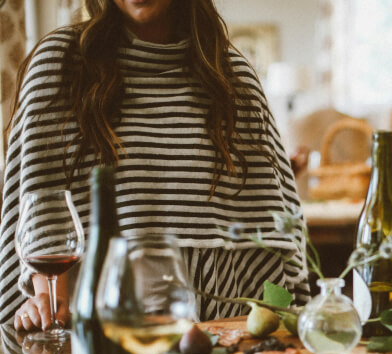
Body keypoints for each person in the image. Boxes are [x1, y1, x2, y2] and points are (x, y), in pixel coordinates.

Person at [1, 0, 309, 332]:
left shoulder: (231, 73)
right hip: (101, 327)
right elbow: (42, 198)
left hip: (220, 323)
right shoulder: (62, 62)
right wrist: (49, 299)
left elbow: (271, 219)